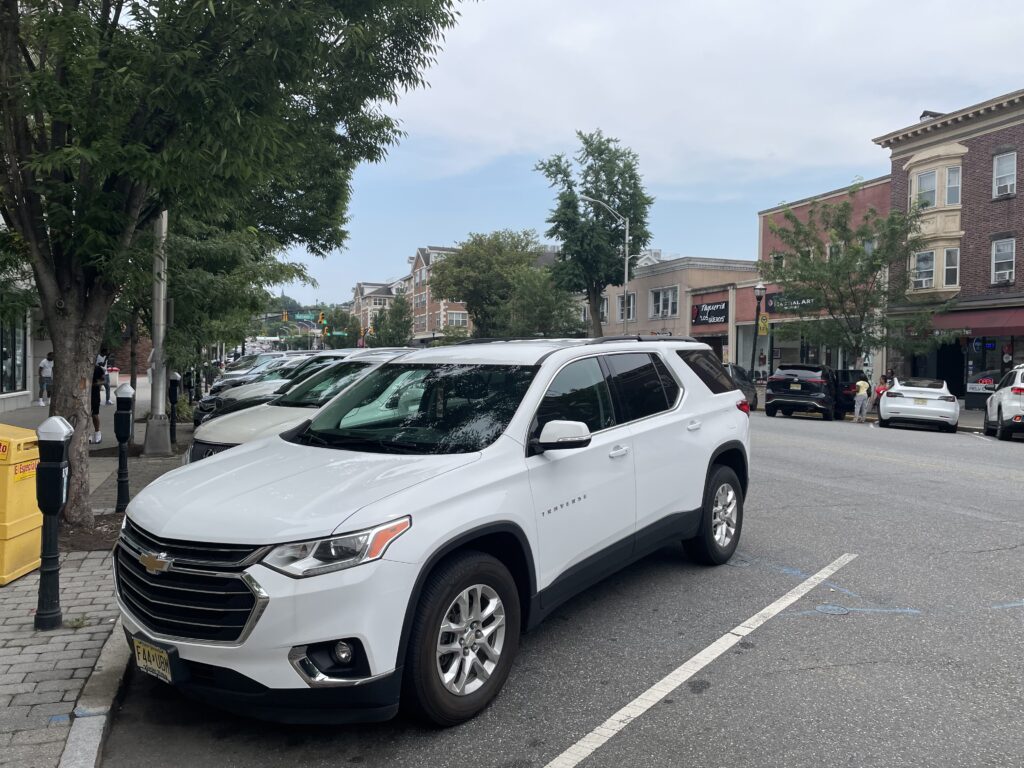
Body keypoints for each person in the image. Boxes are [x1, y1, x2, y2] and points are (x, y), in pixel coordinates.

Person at [89, 360, 104, 444]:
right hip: (84, 396)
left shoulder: (98, 369)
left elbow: (102, 380)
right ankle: (88, 434)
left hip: (94, 395)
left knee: (95, 415)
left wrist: (95, 384)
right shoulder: (82, 368)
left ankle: (97, 433)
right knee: (85, 416)